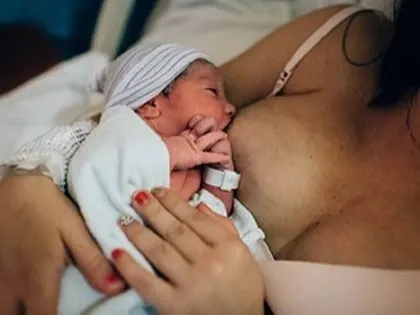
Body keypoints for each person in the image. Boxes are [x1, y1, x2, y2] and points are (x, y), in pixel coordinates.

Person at [1, 1, 419, 314]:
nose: (230, 109)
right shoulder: (346, 43)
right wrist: (30, 178)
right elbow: (139, 111)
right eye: (217, 96)